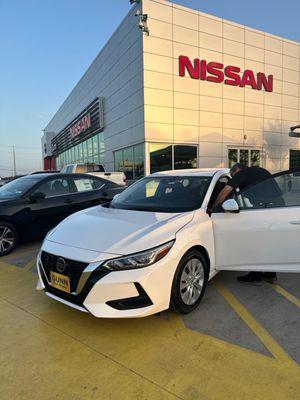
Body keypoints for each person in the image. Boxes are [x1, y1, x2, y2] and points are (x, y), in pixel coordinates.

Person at [214, 163, 277, 285]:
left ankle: (256, 276)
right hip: (277, 209)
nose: (233, 179)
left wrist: (215, 208)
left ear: (237, 170)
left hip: (262, 210)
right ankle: (271, 275)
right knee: (268, 243)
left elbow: (224, 192)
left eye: (232, 176)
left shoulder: (241, 174)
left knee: (256, 243)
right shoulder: (262, 170)